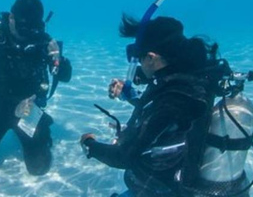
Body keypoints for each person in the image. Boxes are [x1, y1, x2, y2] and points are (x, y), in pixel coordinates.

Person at [80, 16, 218, 197]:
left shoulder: (172, 100)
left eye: (139, 58)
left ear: (151, 58)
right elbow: (161, 111)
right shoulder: (188, 81)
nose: (138, 64)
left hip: (158, 190)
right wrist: (127, 94)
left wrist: (89, 144)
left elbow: (125, 157)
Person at [0, 0, 72, 175]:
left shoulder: (42, 40)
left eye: (33, 28)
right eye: (23, 27)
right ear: (11, 18)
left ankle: (31, 127)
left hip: (30, 110)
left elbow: (65, 76)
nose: (27, 34)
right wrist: (13, 107)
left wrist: (59, 60)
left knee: (39, 166)